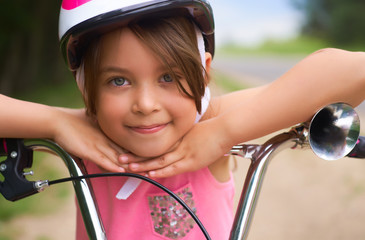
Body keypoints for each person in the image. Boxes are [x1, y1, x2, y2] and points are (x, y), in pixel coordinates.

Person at [1, 0, 365, 239]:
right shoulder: (88, 135)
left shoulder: (210, 123)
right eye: (118, 80)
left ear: (203, 74)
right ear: (86, 88)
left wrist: (222, 134)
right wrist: (54, 122)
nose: (145, 104)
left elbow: (352, 71)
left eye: (168, 78)